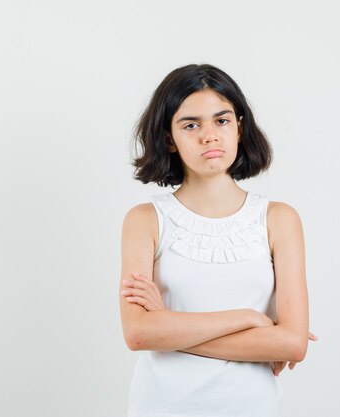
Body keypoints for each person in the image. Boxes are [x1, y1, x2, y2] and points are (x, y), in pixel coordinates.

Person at [119, 63, 316, 417]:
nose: (209, 135)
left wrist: (169, 325)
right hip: (162, 407)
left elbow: (291, 342)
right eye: (191, 124)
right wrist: (250, 319)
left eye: (221, 120)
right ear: (169, 139)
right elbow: (139, 334)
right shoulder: (145, 221)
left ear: (239, 128)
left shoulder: (279, 220)